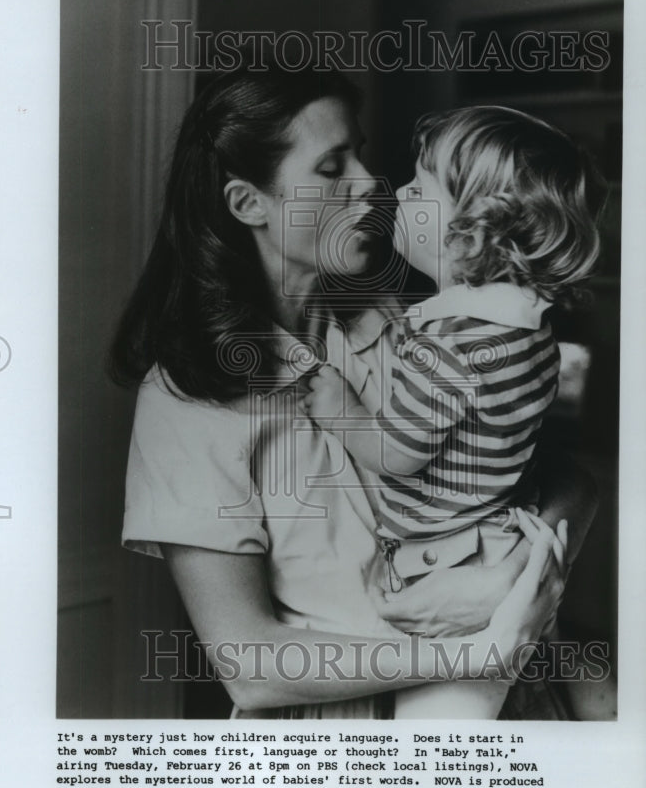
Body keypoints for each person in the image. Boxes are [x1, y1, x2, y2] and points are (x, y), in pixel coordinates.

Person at [113, 65, 581, 719]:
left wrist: (512, 582)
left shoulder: (410, 322)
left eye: (358, 153)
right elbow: (249, 667)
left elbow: (572, 478)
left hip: (507, 702)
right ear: (249, 203)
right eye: (332, 168)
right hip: (342, 744)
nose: (371, 183)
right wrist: (481, 648)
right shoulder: (186, 398)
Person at [303, 106, 601, 718]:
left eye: (418, 187)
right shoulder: (525, 329)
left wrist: (341, 410)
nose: (397, 191)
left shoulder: (452, 342)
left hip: (453, 565)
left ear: (469, 231)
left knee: (438, 750)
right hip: (489, 544)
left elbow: (400, 453)